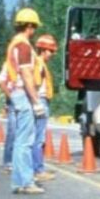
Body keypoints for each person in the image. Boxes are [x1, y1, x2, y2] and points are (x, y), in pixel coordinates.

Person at [5, 7, 46, 195]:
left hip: (17, 93)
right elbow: (27, 74)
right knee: (26, 141)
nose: (34, 30)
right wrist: (36, 101)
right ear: (29, 26)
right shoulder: (23, 45)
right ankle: (27, 182)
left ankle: (19, 182)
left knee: (21, 141)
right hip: (23, 94)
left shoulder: (14, 43)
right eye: (34, 26)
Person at [32, 34, 58, 183]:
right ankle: (38, 170)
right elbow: (35, 84)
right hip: (41, 100)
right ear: (43, 50)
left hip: (41, 100)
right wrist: (37, 104)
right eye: (51, 51)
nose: (52, 54)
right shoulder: (39, 64)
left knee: (38, 137)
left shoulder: (39, 63)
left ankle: (37, 168)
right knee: (39, 138)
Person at [0, 62, 15, 174]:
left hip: (25, 101)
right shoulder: (9, 64)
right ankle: (8, 162)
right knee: (13, 133)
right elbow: (1, 81)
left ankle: (20, 163)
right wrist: (11, 98)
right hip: (14, 101)